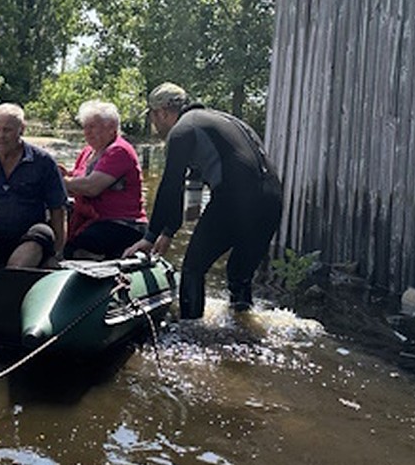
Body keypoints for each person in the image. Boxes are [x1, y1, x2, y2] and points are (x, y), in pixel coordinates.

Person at [124, 82, 283, 318]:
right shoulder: (219, 121)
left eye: (153, 116)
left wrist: (149, 237)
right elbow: (192, 190)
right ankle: (244, 329)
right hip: (272, 202)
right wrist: (169, 231)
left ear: (163, 112)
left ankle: (191, 332)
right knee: (239, 274)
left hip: (234, 200)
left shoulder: (181, 132)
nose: (153, 123)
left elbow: (170, 186)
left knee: (192, 269)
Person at [0, 103, 66, 268]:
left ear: (21, 129)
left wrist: (57, 253)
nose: (1, 136)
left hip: (29, 237)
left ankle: (11, 277)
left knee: (42, 233)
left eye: (7, 130)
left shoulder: (43, 162)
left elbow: (58, 210)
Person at [60, 100, 147, 260]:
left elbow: (91, 187)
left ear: (111, 127)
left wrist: (57, 180)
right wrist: (64, 175)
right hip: (94, 219)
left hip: (121, 223)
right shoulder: (88, 151)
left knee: (81, 244)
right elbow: (76, 181)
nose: (87, 132)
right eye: (85, 127)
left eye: (93, 127)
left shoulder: (119, 151)